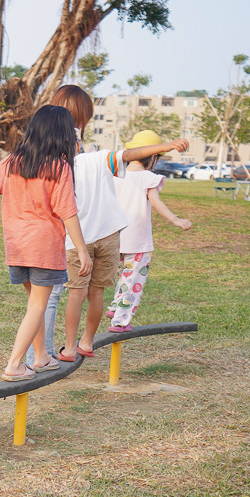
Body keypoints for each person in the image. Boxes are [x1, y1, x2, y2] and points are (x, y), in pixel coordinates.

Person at [44, 86, 190, 362]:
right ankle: (86, 341)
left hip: (80, 233)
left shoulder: (57, 157)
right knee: (97, 291)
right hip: (110, 233)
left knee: (76, 291)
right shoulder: (100, 157)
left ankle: (70, 347)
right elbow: (128, 155)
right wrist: (167, 146)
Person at [0, 105, 92, 381]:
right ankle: (15, 364)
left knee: (34, 303)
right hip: (43, 247)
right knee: (38, 306)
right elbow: (67, 211)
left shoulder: (14, 161)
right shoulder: (58, 166)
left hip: (16, 246)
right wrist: (83, 251)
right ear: (62, 134)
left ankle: (40, 357)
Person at [108, 130, 193, 333]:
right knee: (134, 278)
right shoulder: (148, 178)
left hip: (114, 238)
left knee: (122, 275)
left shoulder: (116, 176)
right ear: (153, 156)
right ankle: (120, 320)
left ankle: (115, 306)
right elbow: (156, 202)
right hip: (137, 240)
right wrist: (176, 219)